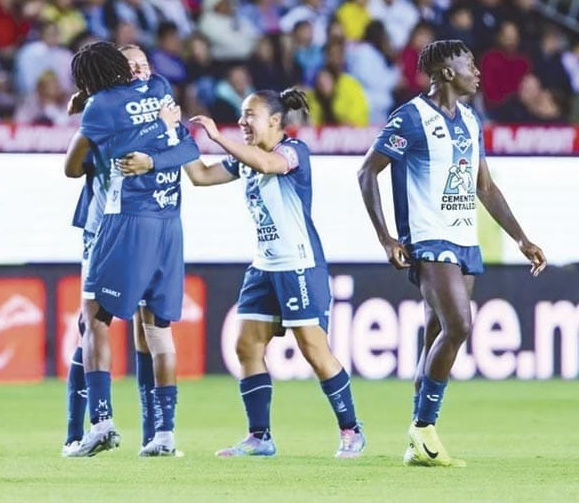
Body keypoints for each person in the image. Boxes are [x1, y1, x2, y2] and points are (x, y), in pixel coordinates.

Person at [357, 39, 546, 467]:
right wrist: (387, 237)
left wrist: (521, 237)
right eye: (469, 64)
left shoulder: (470, 120)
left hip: (464, 239)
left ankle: (418, 440)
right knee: (459, 325)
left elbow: (485, 187)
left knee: (434, 336)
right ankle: (423, 429)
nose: (477, 72)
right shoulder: (409, 119)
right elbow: (366, 172)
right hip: (428, 237)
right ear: (445, 72)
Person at [179, 89, 366, 458]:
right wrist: (178, 140)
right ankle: (260, 437)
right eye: (241, 115)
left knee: (314, 350)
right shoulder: (246, 158)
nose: (243, 121)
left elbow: (269, 166)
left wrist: (218, 137)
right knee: (246, 346)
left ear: (275, 122)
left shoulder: (294, 151)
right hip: (264, 266)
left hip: (298, 265)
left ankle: (351, 429)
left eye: (251, 114)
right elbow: (200, 177)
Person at [63, 42, 199, 457]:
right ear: (122, 68)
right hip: (167, 225)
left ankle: (97, 423)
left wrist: (92, 120)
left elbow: (71, 167)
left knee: (94, 322)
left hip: (118, 224)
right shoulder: (159, 92)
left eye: (144, 62)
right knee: (152, 329)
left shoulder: (101, 108)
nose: (141, 70)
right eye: (132, 64)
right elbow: (188, 149)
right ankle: (161, 435)